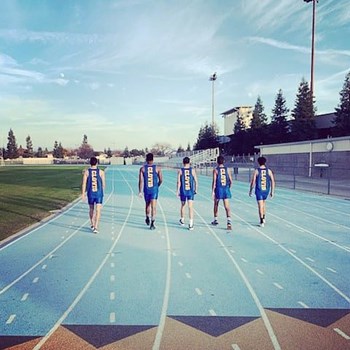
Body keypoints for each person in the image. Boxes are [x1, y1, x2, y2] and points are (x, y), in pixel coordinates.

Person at [249, 156, 275, 227]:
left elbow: (253, 182)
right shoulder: (269, 171)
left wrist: (250, 190)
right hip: (266, 190)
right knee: (263, 203)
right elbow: (272, 181)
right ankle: (264, 217)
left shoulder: (257, 171)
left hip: (259, 190)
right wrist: (272, 191)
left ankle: (261, 221)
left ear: (258, 163)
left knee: (260, 205)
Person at [82, 156, 106, 234]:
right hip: (99, 194)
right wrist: (102, 191)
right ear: (97, 163)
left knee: (91, 209)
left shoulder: (87, 172)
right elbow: (103, 184)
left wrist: (83, 194)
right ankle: (96, 226)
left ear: (90, 163)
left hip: (90, 193)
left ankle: (92, 223)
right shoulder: (101, 172)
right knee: (98, 210)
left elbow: (84, 184)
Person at [139, 153, 163, 230]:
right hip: (154, 190)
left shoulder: (142, 169)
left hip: (146, 189)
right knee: (154, 207)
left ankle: (147, 217)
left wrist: (140, 191)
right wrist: (157, 185)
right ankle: (152, 223)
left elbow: (141, 181)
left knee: (147, 205)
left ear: (146, 159)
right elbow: (161, 180)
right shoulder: (157, 168)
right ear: (153, 159)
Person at [176, 156, 198, 231]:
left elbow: (178, 182)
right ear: (189, 162)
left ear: (183, 162)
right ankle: (191, 224)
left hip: (183, 191)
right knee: (190, 207)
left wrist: (177, 191)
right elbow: (196, 181)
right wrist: (196, 189)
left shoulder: (180, 171)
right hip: (190, 191)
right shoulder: (192, 170)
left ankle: (182, 220)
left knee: (183, 205)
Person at [211, 155, 232, 230]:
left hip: (219, 189)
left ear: (217, 162)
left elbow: (214, 182)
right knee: (227, 206)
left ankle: (215, 219)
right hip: (225, 189)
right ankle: (229, 222)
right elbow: (231, 181)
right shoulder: (228, 169)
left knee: (216, 204)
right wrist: (228, 187)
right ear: (223, 161)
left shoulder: (216, 170)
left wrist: (213, 191)